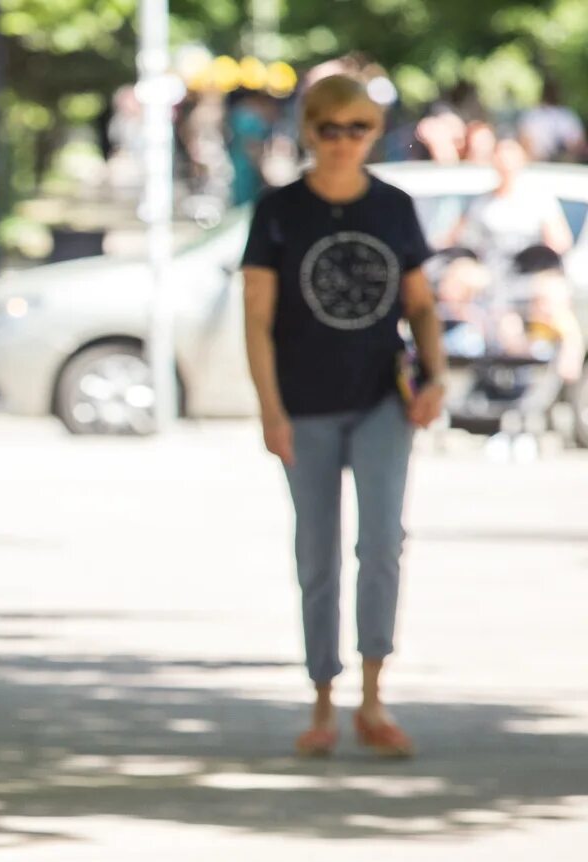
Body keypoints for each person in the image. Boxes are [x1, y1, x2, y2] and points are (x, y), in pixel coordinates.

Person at [241, 74, 449, 759]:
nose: (342, 142)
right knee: (317, 551)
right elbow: (258, 319)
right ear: (308, 132)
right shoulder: (278, 210)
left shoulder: (393, 207)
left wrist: (435, 373)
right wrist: (270, 410)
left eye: (356, 128)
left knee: (382, 543)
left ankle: (373, 695)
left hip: (381, 400)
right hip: (304, 403)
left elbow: (419, 302)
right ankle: (323, 701)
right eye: (328, 128)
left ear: (373, 133)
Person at [447, 135, 574, 280]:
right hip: (488, 276)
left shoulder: (540, 200)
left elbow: (560, 243)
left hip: (531, 275)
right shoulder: (480, 203)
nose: (505, 163)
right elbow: (455, 238)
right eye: (501, 157)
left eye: (510, 157)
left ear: (522, 160)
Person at [517, 81, 586, 163]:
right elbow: (578, 143)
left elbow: (523, 142)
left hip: (555, 165)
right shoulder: (568, 116)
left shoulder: (532, 115)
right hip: (543, 164)